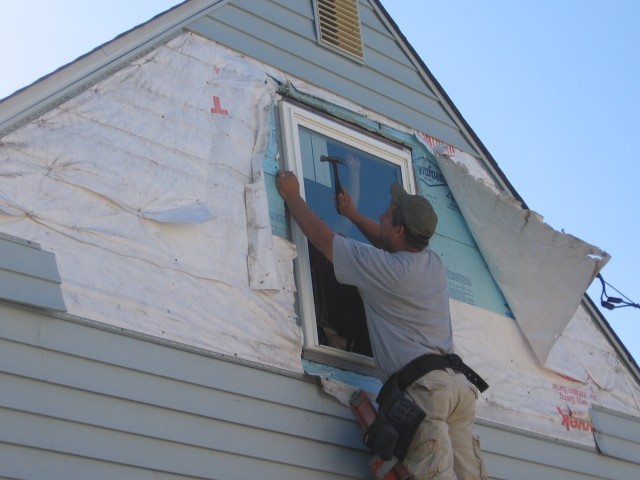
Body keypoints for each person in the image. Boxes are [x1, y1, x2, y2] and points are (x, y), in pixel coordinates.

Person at [277, 169, 487, 480]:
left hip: (426, 392)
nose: (380, 216)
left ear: (401, 230)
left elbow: (324, 241)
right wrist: (353, 214)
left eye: (387, 216)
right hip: (458, 389)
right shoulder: (432, 264)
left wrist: (293, 195)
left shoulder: (385, 270)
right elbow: (386, 241)